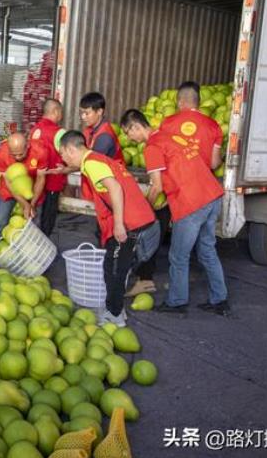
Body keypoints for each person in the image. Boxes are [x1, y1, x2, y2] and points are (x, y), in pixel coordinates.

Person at [123, 109, 230, 315]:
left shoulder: (152, 147)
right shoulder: (170, 135)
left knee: (178, 256)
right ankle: (220, 300)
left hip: (191, 202)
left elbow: (156, 187)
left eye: (129, 132)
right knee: (207, 250)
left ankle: (177, 302)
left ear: (137, 126)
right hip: (212, 195)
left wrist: (145, 210)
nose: (129, 138)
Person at [57, 130, 159, 326]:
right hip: (137, 218)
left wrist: (119, 224)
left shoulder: (92, 163)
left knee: (114, 269)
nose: (63, 159)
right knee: (113, 266)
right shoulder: (98, 159)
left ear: (70, 149)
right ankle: (117, 309)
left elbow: (115, 188)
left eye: (62, 154)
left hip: (131, 222)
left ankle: (114, 315)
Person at [0, 132, 49, 243]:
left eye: (21, 154)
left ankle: (34, 253)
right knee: (0, 221)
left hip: (33, 189)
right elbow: (9, 183)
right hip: (9, 190)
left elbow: (40, 179)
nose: (17, 157)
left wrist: (32, 204)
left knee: (34, 222)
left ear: (27, 145)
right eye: (14, 155)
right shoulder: (2, 154)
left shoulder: (40, 151)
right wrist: (24, 204)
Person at [160, 81, 223, 170]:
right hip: (200, 181)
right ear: (199, 102)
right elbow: (214, 164)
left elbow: (160, 158)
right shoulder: (213, 125)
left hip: (173, 181)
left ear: (179, 102)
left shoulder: (166, 123)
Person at [29, 98, 67, 237]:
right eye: (60, 112)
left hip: (35, 181)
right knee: (48, 217)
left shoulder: (34, 130)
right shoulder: (60, 133)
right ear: (55, 111)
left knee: (34, 213)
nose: (61, 116)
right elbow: (68, 157)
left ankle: (32, 240)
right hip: (52, 182)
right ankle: (44, 244)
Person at [79, 92, 122, 161]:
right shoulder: (89, 129)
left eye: (87, 113)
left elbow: (92, 162)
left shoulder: (105, 137)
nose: (83, 117)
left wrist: (69, 169)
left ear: (99, 111)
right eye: (82, 113)